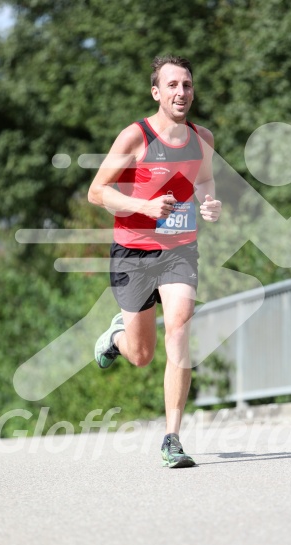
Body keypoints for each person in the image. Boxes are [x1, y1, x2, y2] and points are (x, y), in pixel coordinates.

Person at [88, 55, 221, 468]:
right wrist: (142, 207)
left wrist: (209, 202)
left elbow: (203, 179)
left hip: (179, 249)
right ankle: (115, 339)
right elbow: (97, 191)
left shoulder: (203, 139)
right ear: (157, 93)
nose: (182, 93)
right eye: (173, 86)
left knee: (180, 324)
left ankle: (172, 438)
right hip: (134, 251)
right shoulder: (135, 136)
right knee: (142, 353)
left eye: (187, 85)